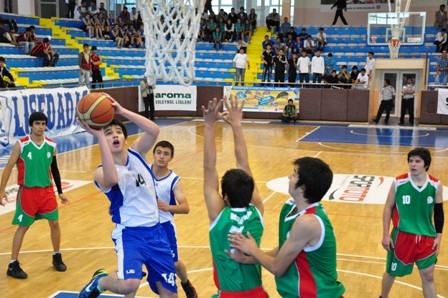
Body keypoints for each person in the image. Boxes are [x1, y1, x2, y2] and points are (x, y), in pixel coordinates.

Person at [77, 95, 178, 298]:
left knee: (170, 296)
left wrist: (122, 111)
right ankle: (101, 281)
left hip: (156, 233)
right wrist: (99, 137)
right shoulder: (100, 172)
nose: (115, 135)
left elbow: (154, 130)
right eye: (108, 133)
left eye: (118, 132)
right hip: (130, 234)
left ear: (124, 137)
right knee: (129, 285)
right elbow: (113, 178)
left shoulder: (136, 153)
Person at [228, 157, 345, 298]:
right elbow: (282, 250)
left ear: (302, 188)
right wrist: (247, 259)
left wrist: (252, 249)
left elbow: (278, 268)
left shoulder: (308, 222)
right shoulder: (290, 207)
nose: (289, 176)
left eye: (294, 174)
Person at [202, 96, 267, 297]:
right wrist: (237, 125)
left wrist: (209, 125)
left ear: (225, 197)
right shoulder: (257, 210)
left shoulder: (218, 214)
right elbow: (244, 164)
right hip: (257, 293)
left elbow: (209, 167)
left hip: (229, 294)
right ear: (250, 192)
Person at [1, 112, 69, 279]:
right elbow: (9, 167)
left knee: (54, 223)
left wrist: (60, 192)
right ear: (31, 126)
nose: (40, 127)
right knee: (23, 227)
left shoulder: (51, 145)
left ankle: (56, 256)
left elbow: (54, 169)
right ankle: (13, 264)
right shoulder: (21, 144)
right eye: (37, 123)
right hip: (28, 192)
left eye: (43, 123)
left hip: (46, 191)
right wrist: (1, 190)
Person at [380, 148, 444, 298]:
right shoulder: (399, 182)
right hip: (401, 236)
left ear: (426, 165)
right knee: (391, 272)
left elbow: (439, 213)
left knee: (428, 277)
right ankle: (383, 296)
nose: (413, 164)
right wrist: (385, 234)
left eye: (417, 161)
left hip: (426, 237)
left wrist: (439, 237)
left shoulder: (435, 185)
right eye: (411, 161)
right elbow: (388, 208)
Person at [150, 141, 198, 298]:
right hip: (145, 225)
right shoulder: (144, 172)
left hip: (165, 226)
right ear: (154, 154)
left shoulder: (173, 180)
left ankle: (185, 283)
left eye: (166, 154)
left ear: (171, 157)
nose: (161, 156)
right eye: (159, 152)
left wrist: (168, 207)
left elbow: (185, 207)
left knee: (175, 263)